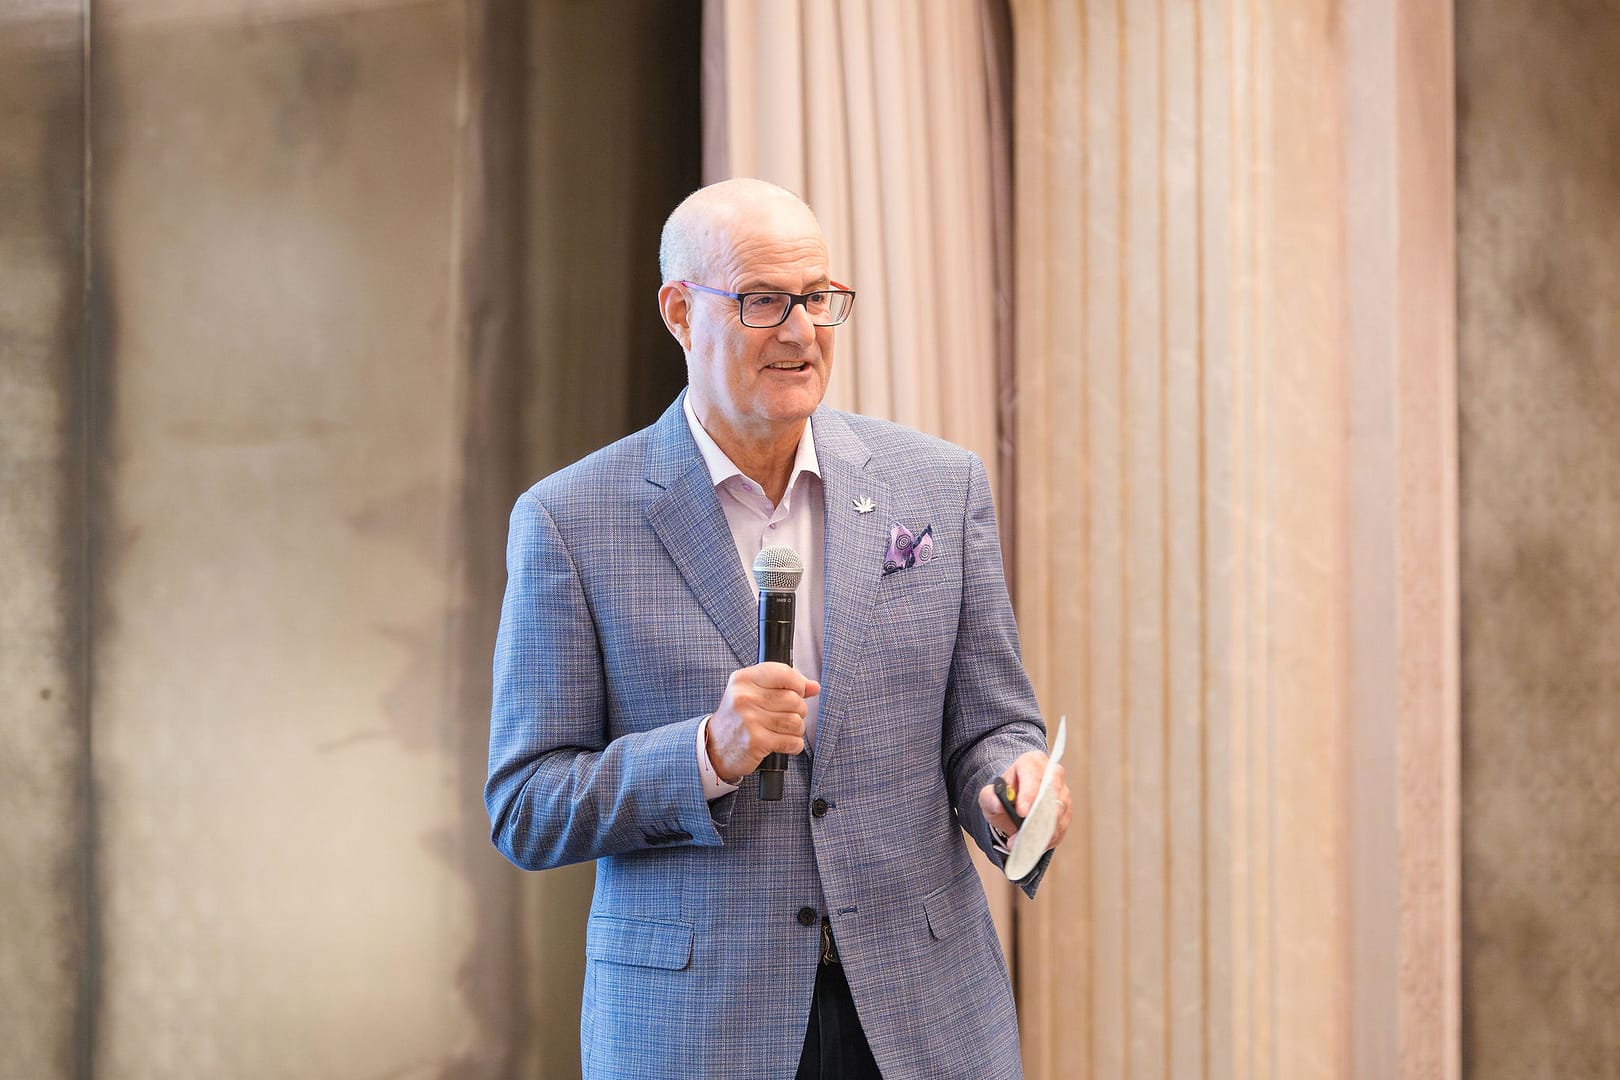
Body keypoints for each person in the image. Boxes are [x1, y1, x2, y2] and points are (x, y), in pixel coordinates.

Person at [486, 177, 1071, 1079]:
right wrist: (705, 756)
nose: (801, 331)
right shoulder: (571, 520)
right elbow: (527, 804)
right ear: (681, 313)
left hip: (923, 1017)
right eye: (764, 300)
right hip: (698, 1030)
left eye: (818, 297)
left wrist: (1011, 786)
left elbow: (990, 725)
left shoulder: (939, 485)